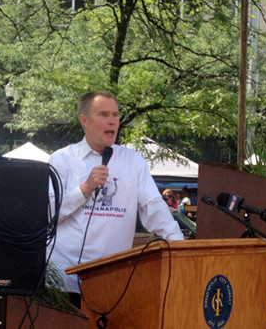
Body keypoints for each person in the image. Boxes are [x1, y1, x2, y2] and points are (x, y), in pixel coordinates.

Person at [47, 90, 183, 305]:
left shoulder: (133, 161)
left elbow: (154, 206)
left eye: (115, 115)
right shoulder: (62, 159)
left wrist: (179, 245)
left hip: (112, 280)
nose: (112, 121)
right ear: (84, 120)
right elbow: (47, 213)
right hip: (64, 281)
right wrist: (84, 188)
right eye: (103, 114)